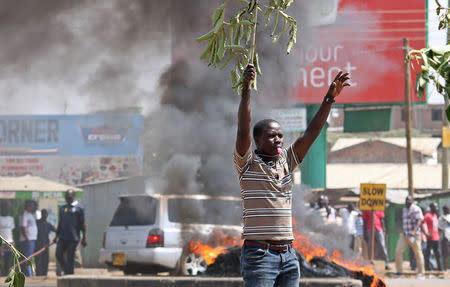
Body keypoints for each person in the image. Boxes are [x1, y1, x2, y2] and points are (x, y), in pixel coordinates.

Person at [234, 63, 350, 286]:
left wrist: (329, 98)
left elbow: (311, 132)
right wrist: (246, 90)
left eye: (280, 135)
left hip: (288, 256)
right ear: (257, 141)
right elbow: (243, 127)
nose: (278, 139)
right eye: (271, 136)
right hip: (260, 256)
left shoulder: (286, 161)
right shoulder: (247, 164)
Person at [54, 189, 87, 275]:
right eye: (66, 196)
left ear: (73, 196)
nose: (67, 197)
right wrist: (56, 236)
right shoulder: (62, 208)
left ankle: (70, 274)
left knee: (70, 255)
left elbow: (82, 224)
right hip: (62, 237)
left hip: (73, 238)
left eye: (69, 196)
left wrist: (84, 238)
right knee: (58, 254)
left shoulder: (79, 208)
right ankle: (67, 270)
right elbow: (60, 223)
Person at [395, 196, 425, 276]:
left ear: (412, 201)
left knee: (418, 253)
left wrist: (414, 231)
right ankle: (399, 271)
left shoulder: (416, 209)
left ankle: (421, 272)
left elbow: (419, 221)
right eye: (406, 200)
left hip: (414, 235)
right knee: (398, 251)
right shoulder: (404, 210)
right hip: (405, 235)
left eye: (409, 200)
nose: (407, 201)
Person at [35, 209, 56, 276]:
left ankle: (44, 274)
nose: (45, 215)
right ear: (41, 214)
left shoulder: (48, 224)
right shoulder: (37, 223)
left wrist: (56, 238)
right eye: (43, 214)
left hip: (46, 245)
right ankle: (38, 274)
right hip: (38, 245)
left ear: (47, 215)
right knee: (38, 260)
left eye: (46, 214)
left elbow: (56, 231)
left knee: (45, 260)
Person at [20, 200, 38, 277]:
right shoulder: (25, 214)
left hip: (31, 239)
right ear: (26, 206)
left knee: (29, 257)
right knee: (27, 258)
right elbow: (22, 227)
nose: (32, 207)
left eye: (33, 205)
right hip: (27, 240)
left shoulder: (30, 214)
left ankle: (27, 273)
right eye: (30, 205)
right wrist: (27, 238)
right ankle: (28, 274)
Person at [423, 203, 443, 270]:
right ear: (431, 208)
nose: (437, 208)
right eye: (435, 207)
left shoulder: (435, 215)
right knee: (427, 255)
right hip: (430, 238)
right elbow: (421, 223)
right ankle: (427, 269)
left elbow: (435, 226)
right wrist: (426, 233)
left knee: (438, 254)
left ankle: (440, 269)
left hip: (436, 238)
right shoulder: (427, 215)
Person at [0, 201, 15, 276]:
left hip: (10, 243)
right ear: (1, 209)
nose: (6, 209)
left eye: (7, 208)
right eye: (4, 208)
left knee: (8, 260)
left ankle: (7, 275)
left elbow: (11, 231)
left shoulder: (11, 219)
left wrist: (13, 242)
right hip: (1, 243)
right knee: (1, 260)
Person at [438, 205, 450, 270]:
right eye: (447, 209)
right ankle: (446, 268)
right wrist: (443, 229)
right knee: (445, 254)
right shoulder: (441, 218)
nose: (448, 210)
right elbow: (438, 227)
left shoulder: (448, 217)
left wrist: (446, 220)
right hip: (445, 238)